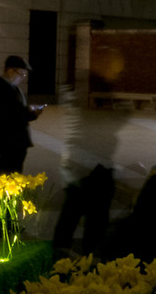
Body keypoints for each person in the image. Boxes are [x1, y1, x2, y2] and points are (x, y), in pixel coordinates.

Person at [52, 88, 130, 257]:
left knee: (78, 220)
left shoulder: (101, 130)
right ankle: (77, 252)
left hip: (88, 179)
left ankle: (73, 252)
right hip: (87, 179)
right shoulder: (96, 127)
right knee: (79, 219)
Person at [0, 55, 40, 174]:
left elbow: (17, 111)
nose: (22, 77)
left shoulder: (14, 88)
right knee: (9, 176)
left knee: (16, 174)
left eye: (24, 75)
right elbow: (8, 117)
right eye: (21, 74)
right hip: (9, 142)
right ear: (10, 70)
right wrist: (31, 113)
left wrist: (31, 112)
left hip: (18, 142)